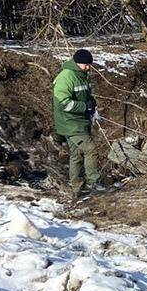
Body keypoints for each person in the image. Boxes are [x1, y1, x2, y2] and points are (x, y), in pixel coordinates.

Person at [52, 49, 103, 196]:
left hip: (80, 121)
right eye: (85, 64)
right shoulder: (66, 77)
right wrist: (84, 107)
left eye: (89, 65)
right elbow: (62, 103)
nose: (88, 67)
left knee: (76, 155)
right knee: (91, 149)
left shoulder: (82, 75)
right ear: (76, 63)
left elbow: (85, 95)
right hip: (70, 123)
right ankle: (94, 184)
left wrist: (91, 103)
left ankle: (76, 188)